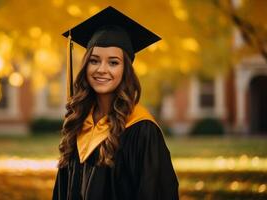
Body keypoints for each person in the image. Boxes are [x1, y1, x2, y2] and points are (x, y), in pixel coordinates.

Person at [53, 6, 179, 200]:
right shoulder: (78, 122)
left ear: (126, 70)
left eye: (113, 62)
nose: (102, 69)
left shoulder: (141, 129)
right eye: (94, 61)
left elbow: (155, 192)